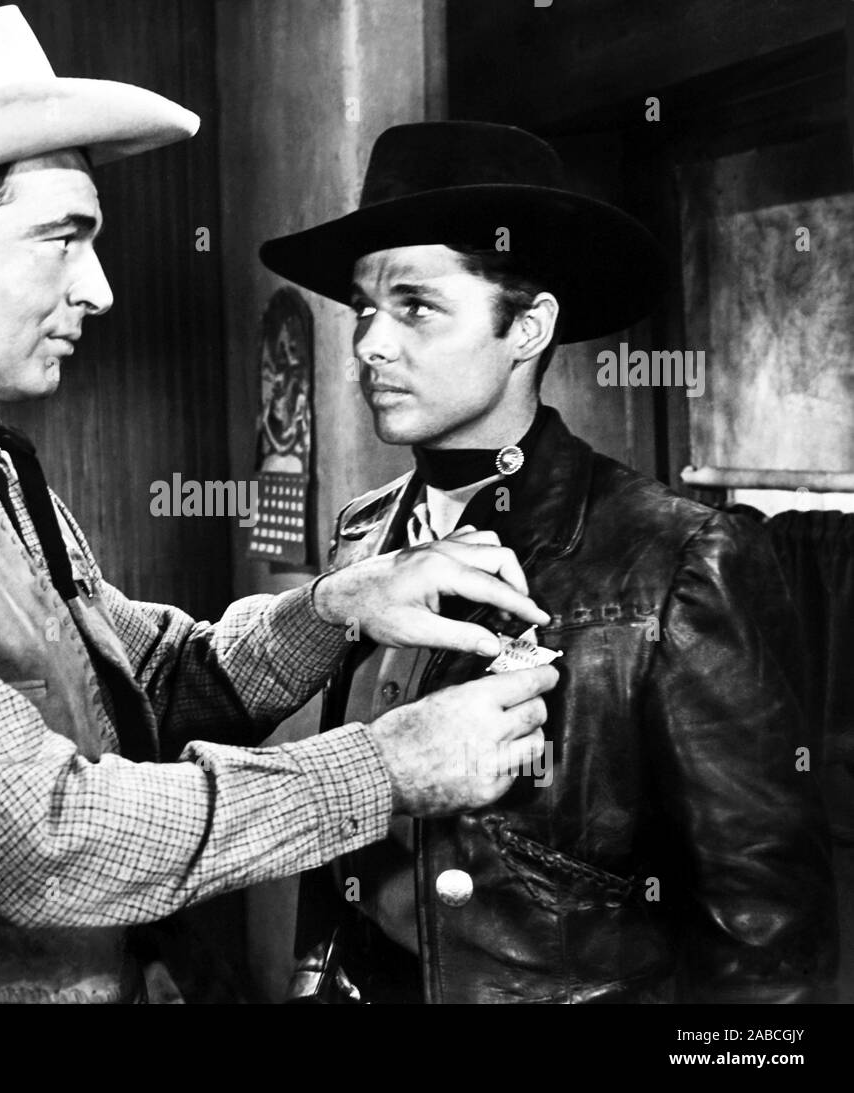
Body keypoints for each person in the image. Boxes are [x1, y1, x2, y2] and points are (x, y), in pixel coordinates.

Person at [0, 11, 557, 1004]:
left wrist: (340, 604)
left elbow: (156, 682)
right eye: (61, 239)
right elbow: (39, 837)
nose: (97, 289)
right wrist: (385, 767)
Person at [262, 120, 837, 1004]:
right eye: (363, 311)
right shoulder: (366, 534)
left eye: (415, 307)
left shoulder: (678, 556)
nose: (370, 345)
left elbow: (766, 938)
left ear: (527, 326)